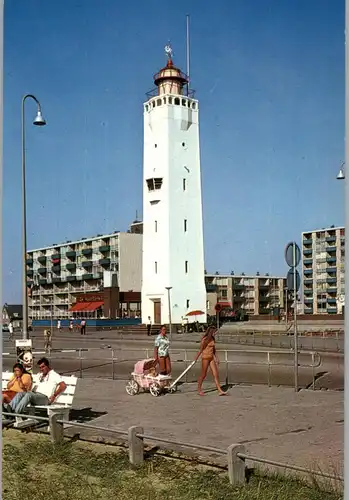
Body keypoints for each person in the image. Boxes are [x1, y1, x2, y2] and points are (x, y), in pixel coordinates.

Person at [195, 326, 227, 396]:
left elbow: (214, 349)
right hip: (205, 358)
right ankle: (199, 389)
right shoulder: (205, 339)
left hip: (211, 358)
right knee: (203, 374)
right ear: (211, 332)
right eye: (214, 332)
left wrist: (217, 358)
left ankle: (219, 390)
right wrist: (196, 358)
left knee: (216, 374)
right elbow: (200, 350)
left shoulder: (213, 339)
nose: (215, 333)